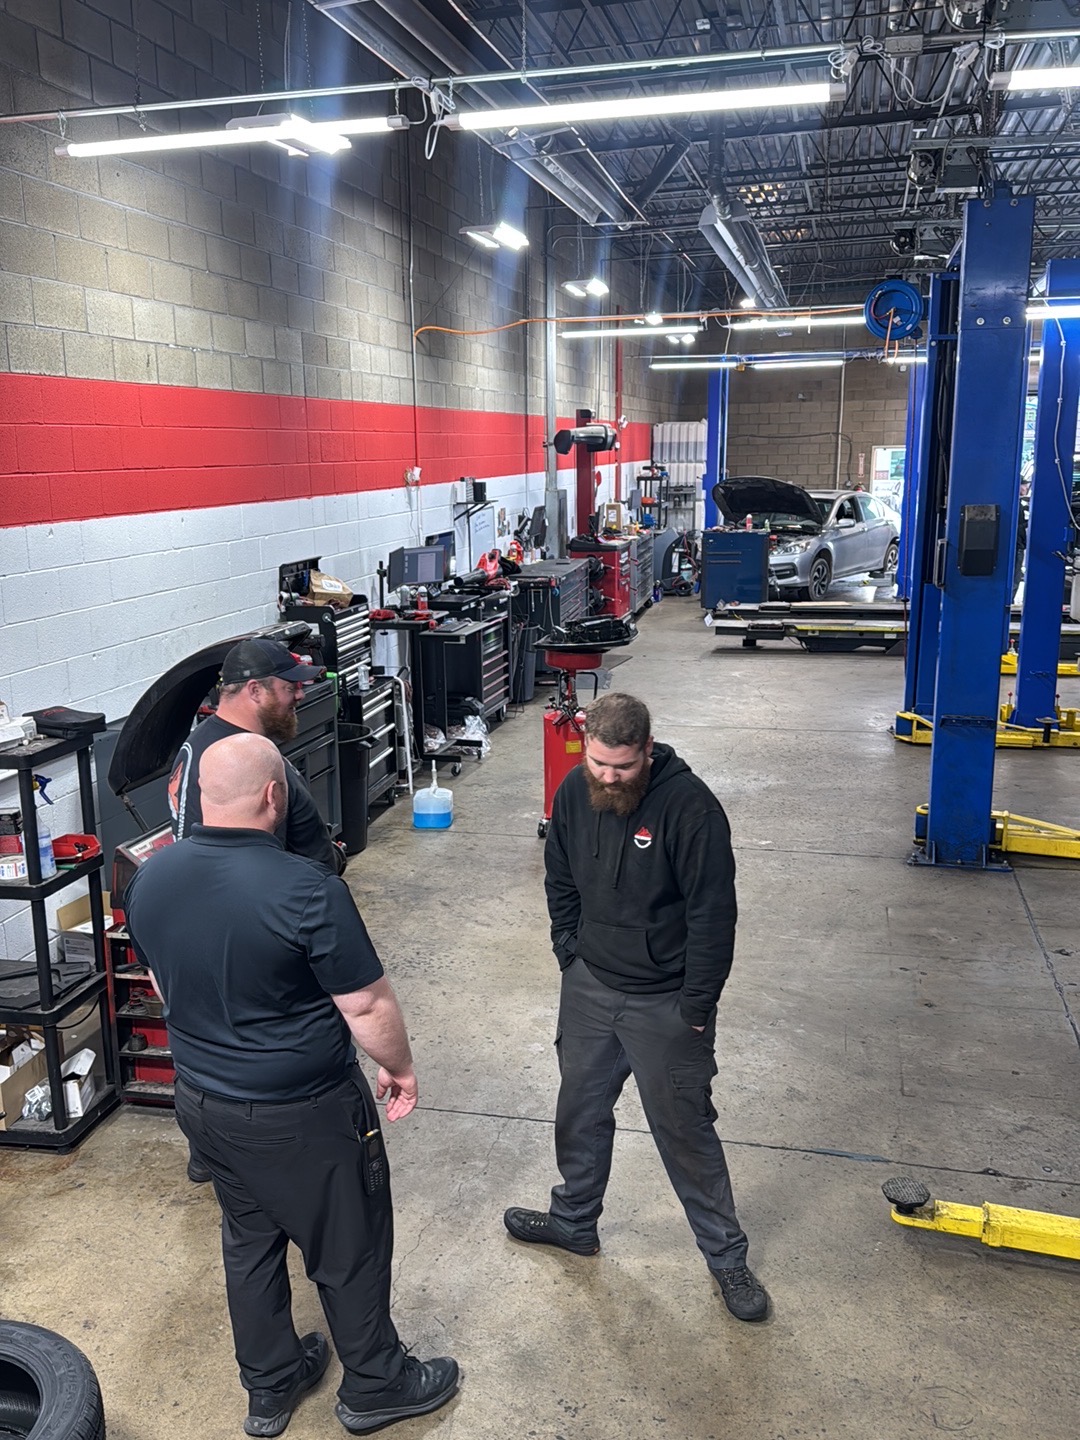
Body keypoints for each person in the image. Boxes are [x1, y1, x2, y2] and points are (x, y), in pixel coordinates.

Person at [126, 733, 459, 1438]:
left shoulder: (150, 878)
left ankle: (271, 1385)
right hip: (304, 1114)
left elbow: (163, 983)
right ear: (275, 797)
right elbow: (365, 1005)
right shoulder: (308, 890)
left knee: (249, 1237)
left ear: (193, 799)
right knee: (349, 1243)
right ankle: (376, 1384)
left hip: (204, 1105)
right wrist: (399, 1068)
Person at [504, 692, 769, 1323]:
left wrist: (696, 1006)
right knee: (580, 1110)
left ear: (648, 751)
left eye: (622, 767)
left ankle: (725, 1255)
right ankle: (574, 1221)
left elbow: (713, 916)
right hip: (591, 987)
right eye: (598, 763)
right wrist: (569, 952)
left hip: (665, 1003)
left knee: (684, 1130)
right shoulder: (575, 791)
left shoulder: (691, 808)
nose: (608, 777)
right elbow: (559, 875)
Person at [169, 636, 337, 1184]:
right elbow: (228, 866)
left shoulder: (211, 745)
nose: (297, 697)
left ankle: (223, 1146)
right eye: (289, 688)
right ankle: (244, 1153)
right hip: (269, 934)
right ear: (255, 689)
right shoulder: (229, 759)